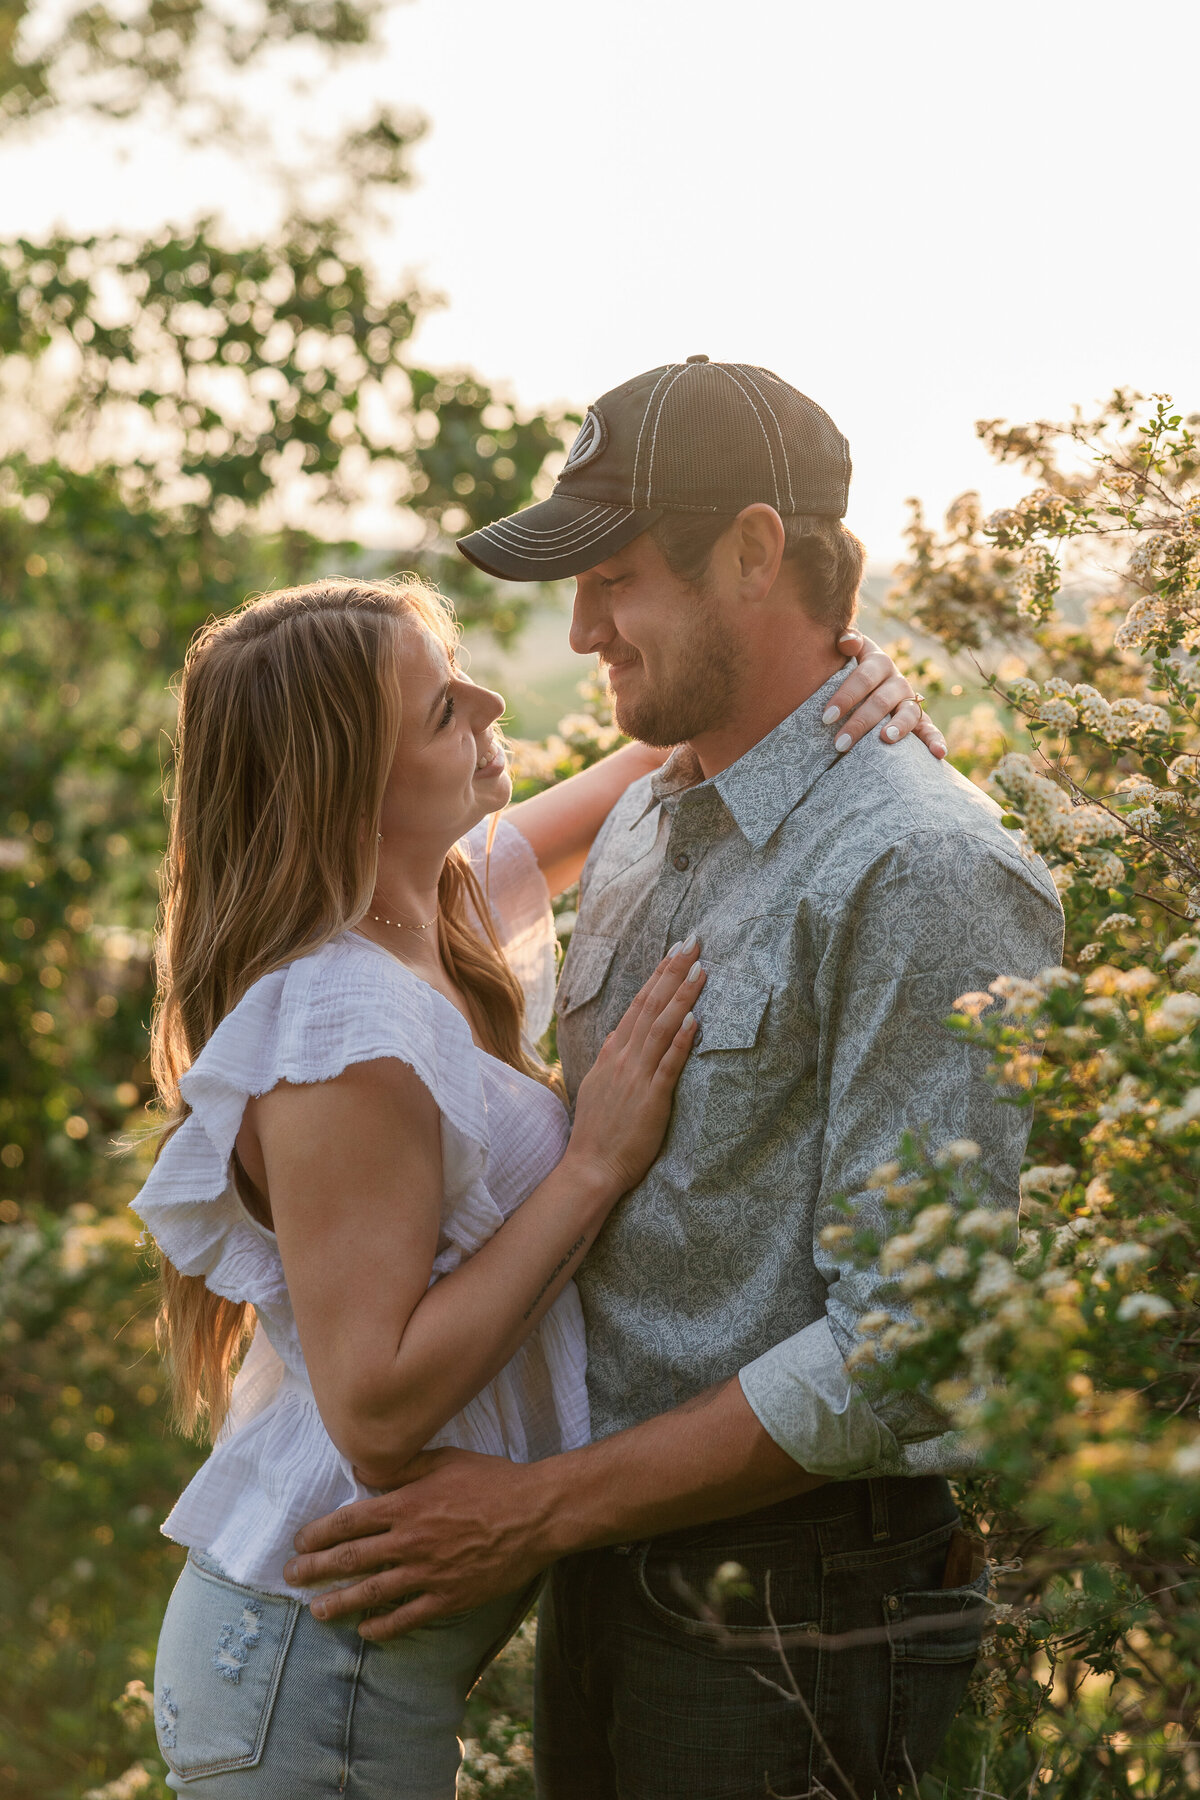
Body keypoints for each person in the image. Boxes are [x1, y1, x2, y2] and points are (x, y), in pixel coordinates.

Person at [283, 360, 1066, 1800]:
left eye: (618, 578)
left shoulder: (927, 870)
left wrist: (530, 1513)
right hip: (602, 1582)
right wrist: (547, 1531)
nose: (580, 628)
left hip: (809, 1621)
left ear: (756, 552)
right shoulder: (648, 814)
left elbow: (905, 1351)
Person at [131, 570, 931, 1797]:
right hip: (307, 1666)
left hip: (343, 1659)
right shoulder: (345, 1027)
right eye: (443, 706)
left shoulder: (439, 911)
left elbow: (677, 758)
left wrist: (851, 682)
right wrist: (597, 1162)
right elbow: (379, 1413)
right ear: (349, 781)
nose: (493, 695)